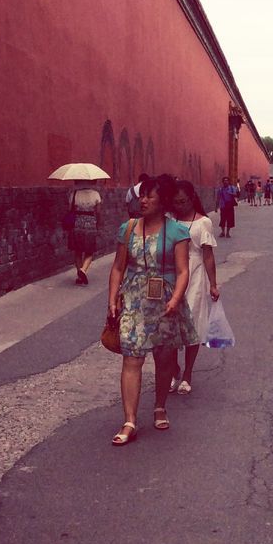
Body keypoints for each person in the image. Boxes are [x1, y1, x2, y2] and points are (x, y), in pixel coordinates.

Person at [107, 173, 198, 442]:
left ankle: (159, 406)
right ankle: (130, 421)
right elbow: (117, 267)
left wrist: (175, 299)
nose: (142, 200)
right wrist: (112, 299)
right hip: (134, 300)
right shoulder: (128, 228)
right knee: (132, 358)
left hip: (165, 301)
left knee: (164, 357)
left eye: (149, 195)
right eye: (141, 195)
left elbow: (183, 271)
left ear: (163, 201)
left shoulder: (177, 231)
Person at [169, 180, 220, 394]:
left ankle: (188, 372)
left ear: (192, 198)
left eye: (183, 201)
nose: (179, 205)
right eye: (175, 202)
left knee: (192, 324)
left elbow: (208, 256)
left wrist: (213, 285)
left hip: (196, 275)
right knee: (169, 325)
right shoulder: (169, 220)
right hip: (172, 274)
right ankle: (173, 370)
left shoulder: (203, 223)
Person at [68, 180, 102, 283]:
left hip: (77, 224)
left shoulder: (74, 194)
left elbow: (70, 209)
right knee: (89, 251)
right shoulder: (96, 194)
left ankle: (79, 276)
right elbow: (98, 212)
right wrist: (98, 224)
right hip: (90, 225)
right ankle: (83, 270)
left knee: (78, 251)